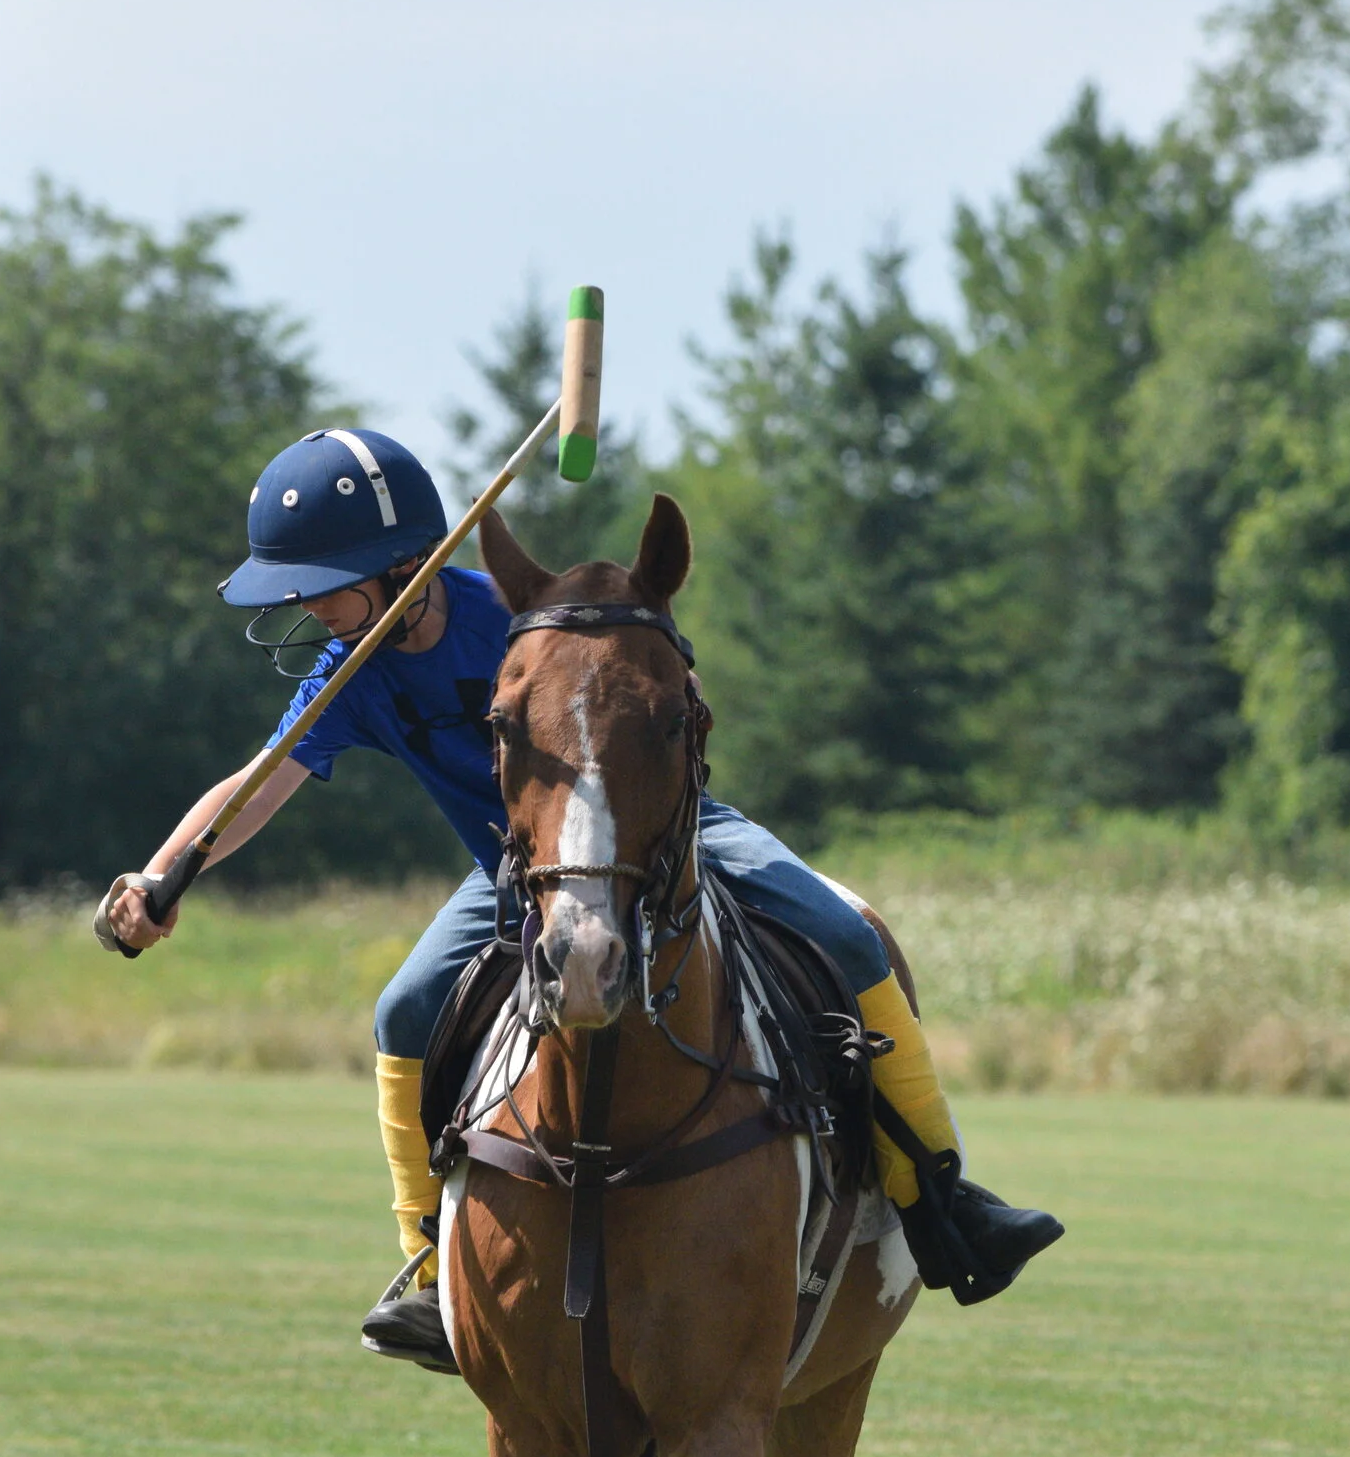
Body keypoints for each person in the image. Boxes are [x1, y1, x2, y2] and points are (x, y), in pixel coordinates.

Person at [105, 427, 1061, 1374]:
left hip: (666, 841)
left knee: (845, 935)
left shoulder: (520, 618)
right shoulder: (349, 677)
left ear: (402, 569)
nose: (310, 609)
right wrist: (160, 874)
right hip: (511, 875)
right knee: (403, 1009)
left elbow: (652, 686)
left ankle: (940, 1196)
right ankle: (432, 1268)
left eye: (325, 586)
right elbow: (258, 782)